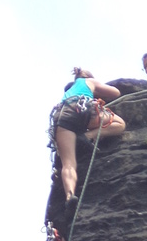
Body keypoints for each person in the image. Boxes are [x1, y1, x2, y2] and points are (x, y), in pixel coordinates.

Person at [49, 68, 126, 213]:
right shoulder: (88, 81)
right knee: (120, 124)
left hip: (63, 116)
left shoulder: (69, 91)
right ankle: (88, 136)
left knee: (68, 164)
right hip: (83, 109)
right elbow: (116, 93)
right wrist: (96, 92)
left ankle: (70, 196)